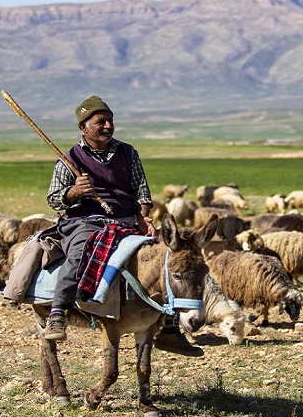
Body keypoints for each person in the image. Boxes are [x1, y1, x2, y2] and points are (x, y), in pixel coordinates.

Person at [43, 95, 202, 356]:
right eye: (100, 122)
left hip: (126, 221)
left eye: (110, 120)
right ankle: (58, 312)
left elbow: (142, 190)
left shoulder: (128, 152)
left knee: (167, 259)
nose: (107, 126)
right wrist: (74, 192)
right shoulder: (69, 159)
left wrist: (143, 216)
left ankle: (171, 328)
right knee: (79, 253)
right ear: (83, 127)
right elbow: (53, 199)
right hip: (85, 222)